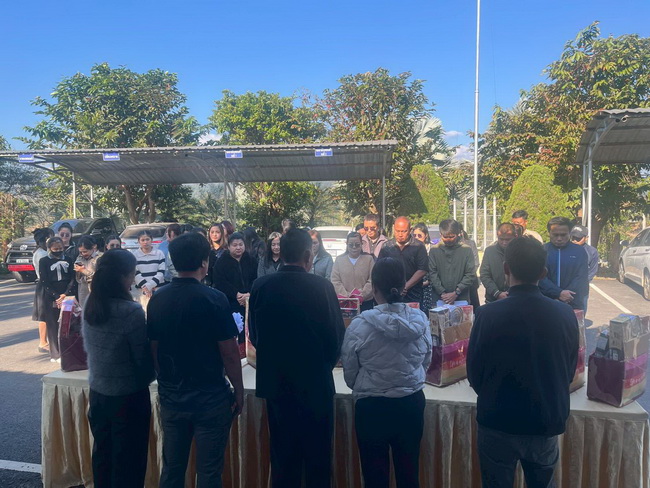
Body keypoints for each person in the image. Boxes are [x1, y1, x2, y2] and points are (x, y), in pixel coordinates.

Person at [467, 237, 578, 488]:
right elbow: (569, 369)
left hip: (497, 418)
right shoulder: (564, 314)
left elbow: (474, 372)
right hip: (545, 419)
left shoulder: (487, 314)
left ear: (506, 269)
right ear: (543, 273)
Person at [249, 228, 345, 488]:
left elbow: (255, 336)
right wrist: (322, 366)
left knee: (283, 459)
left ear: (281, 254)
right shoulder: (322, 287)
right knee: (318, 458)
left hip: (277, 384)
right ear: (308, 255)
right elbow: (336, 337)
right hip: (315, 384)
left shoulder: (261, 286)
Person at [147, 233, 244, 487]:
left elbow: (154, 348)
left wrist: (167, 382)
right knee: (209, 472)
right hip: (210, 397)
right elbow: (230, 352)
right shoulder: (214, 298)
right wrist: (239, 390)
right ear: (204, 262)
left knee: (172, 468)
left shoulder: (158, 298)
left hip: (173, 396)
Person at [341, 257, 431, 488]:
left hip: (372, 407)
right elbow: (426, 360)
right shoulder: (421, 319)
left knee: (374, 478)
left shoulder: (359, 325)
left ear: (374, 288)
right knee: (409, 474)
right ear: (403, 287)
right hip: (410, 402)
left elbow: (350, 372)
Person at [82, 249, 155, 488]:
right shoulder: (130, 311)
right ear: (122, 276)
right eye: (132, 274)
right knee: (129, 464)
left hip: (98, 393)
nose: (134, 279)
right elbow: (142, 360)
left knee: (103, 457)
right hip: (128, 397)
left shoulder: (91, 303)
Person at [212, 232, 257, 342]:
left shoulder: (251, 260)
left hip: (250, 300)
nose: (238, 248)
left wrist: (248, 294)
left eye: (241, 244)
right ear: (228, 246)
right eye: (235, 245)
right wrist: (237, 294)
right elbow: (220, 282)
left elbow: (256, 278)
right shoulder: (221, 262)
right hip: (231, 302)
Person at [539, 217, 589, 311]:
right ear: (549, 233)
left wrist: (565, 295)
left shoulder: (579, 252)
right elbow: (539, 277)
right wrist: (558, 293)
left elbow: (581, 277)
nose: (559, 238)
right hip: (547, 301)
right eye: (555, 235)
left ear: (569, 233)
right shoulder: (541, 251)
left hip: (572, 302)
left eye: (563, 235)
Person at [39, 236, 76, 362]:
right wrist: (56, 296)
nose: (58, 251)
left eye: (60, 248)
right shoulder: (44, 261)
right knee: (53, 325)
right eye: (55, 249)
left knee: (68, 323)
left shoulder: (69, 259)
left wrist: (65, 294)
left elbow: (72, 278)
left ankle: (68, 351)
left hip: (67, 294)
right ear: (49, 248)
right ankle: (56, 354)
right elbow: (44, 280)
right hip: (51, 296)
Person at [378, 216, 428, 306]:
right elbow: (380, 268)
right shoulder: (387, 246)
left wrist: (405, 286)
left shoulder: (418, 246)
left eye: (404, 231)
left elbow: (422, 269)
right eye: (397, 231)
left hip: (413, 294)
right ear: (394, 228)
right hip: (392, 293)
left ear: (410, 230)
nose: (400, 234)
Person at [428, 219, 476, 305]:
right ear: (440, 234)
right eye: (445, 237)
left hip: (461, 298)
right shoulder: (434, 250)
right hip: (439, 298)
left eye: (451, 237)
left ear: (458, 234)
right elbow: (432, 274)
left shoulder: (466, 250)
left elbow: (470, 274)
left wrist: (457, 292)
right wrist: (442, 293)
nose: (448, 240)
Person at [330, 232, 375, 311]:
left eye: (357, 245)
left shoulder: (369, 259)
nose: (354, 247)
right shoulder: (339, 260)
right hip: (344, 302)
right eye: (351, 245)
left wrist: (361, 295)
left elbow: (372, 279)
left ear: (361, 244)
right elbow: (335, 280)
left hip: (365, 302)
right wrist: (347, 296)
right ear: (346, 244)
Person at [480, 223, 517, 303]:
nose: (504, 242)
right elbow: (484, 274)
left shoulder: (520, 252)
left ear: (515, 236)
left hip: (515, 298)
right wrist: (497, 293)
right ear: (497, 236)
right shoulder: (490, 251)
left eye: (507, 240)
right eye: (501, 239)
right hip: (492, 299)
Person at [32, 227, 54, 353]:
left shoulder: (39, 252)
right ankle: (43, 342)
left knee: (44, 314)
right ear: (46, 239)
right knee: (44, 315)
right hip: (44, 285)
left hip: (42, 284)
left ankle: (45, 341)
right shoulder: (42, 254)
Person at [131, 230, 166, 309]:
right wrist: (146, 287)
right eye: (143, 240)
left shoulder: (159, 253)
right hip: (142, 291)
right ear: (139, 241)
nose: (145, 242)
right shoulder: (134, 255)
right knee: (144, 311)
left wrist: (150, 285)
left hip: (158, 289)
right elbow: (136, 273)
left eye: (147, 239)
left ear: (151, 240)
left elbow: (161, 272)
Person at [412, 222, 434, 311]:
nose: (417, 238)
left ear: (426, 235)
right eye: (414, 235)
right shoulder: (411, 248)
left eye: (419, 235)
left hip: (429, 287)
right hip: (415, 285)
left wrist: (428, 281)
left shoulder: (432, 249)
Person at [74, 236, 100, 308]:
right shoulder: (79, 258)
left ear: (93, 247)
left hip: (95, 288)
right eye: (81, 252)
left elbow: (98, 276)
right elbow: (78, 278)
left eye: (85, 251)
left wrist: (83, 270)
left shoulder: (99, 258)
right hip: (83, 288)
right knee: (83, 308)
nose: (83, 254)